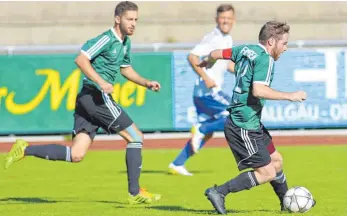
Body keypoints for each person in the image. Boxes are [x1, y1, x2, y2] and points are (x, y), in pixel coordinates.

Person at [4, 1, 162, 205]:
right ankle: (134, 193)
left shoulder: (125, 43)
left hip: (88, 99)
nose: (133, 24)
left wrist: (146, 83)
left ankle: (24, 149)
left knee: (76, 154)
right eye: (129, 19)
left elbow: (126, 69)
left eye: (136, 20)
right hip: (95, 96)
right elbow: (80, 59)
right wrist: (101, 81)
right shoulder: (106, 39)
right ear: (117, 19)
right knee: (136, 137)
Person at [200, 21, 315, 214]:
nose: (285, 48)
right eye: (284, 43)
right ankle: (218, 191)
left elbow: (215, 54)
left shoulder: (246, 49)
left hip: (251, 122)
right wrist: (290, 96)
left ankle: (286, 204)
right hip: (243, 125)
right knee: (267, 172)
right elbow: (259, 90)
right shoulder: (265, 59)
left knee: (276, 161)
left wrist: (207, 63)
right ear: (271, 41)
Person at [168, 4, 236, 176]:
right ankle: (201, 128)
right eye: (223, 18)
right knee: (235, 114)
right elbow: (192, 56)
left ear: (233, 20)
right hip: (207, 92)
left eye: (229, 18)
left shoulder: (227, 39)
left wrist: (244, 73)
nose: (225, 21)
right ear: (216, 20)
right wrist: (206, 77)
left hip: (203, 94)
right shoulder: (213, 38)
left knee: (208, 133)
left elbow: (226, 63)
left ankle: (177, 163)